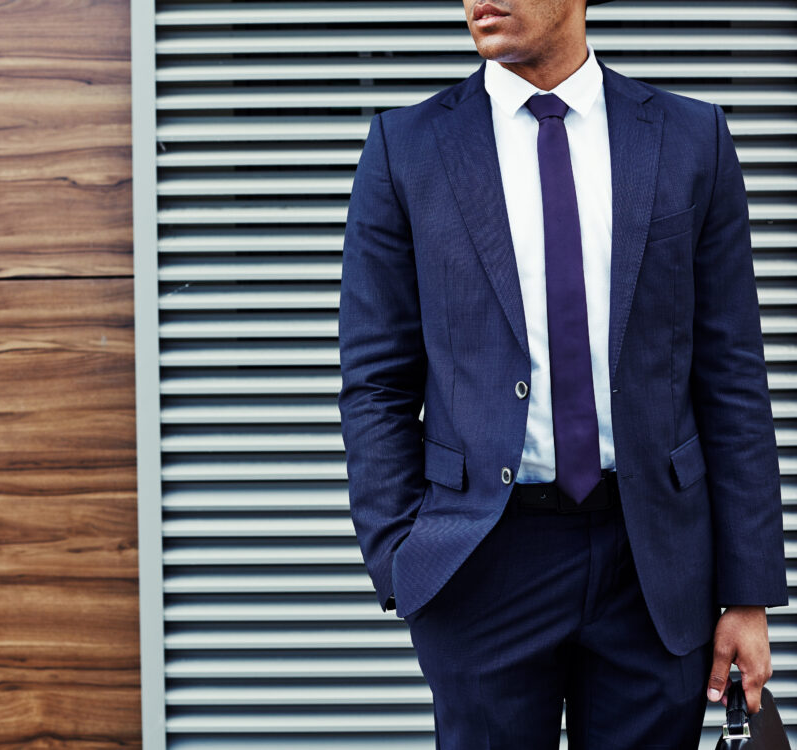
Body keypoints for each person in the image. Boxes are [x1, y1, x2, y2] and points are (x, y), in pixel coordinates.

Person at [336, 0, 788, 747]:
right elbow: (376, 377)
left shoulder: (688, 138)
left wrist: (748, 594)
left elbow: (731, 374)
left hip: (654, 566)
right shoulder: (406, 146)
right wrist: (400, 557)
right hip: (481, 561)